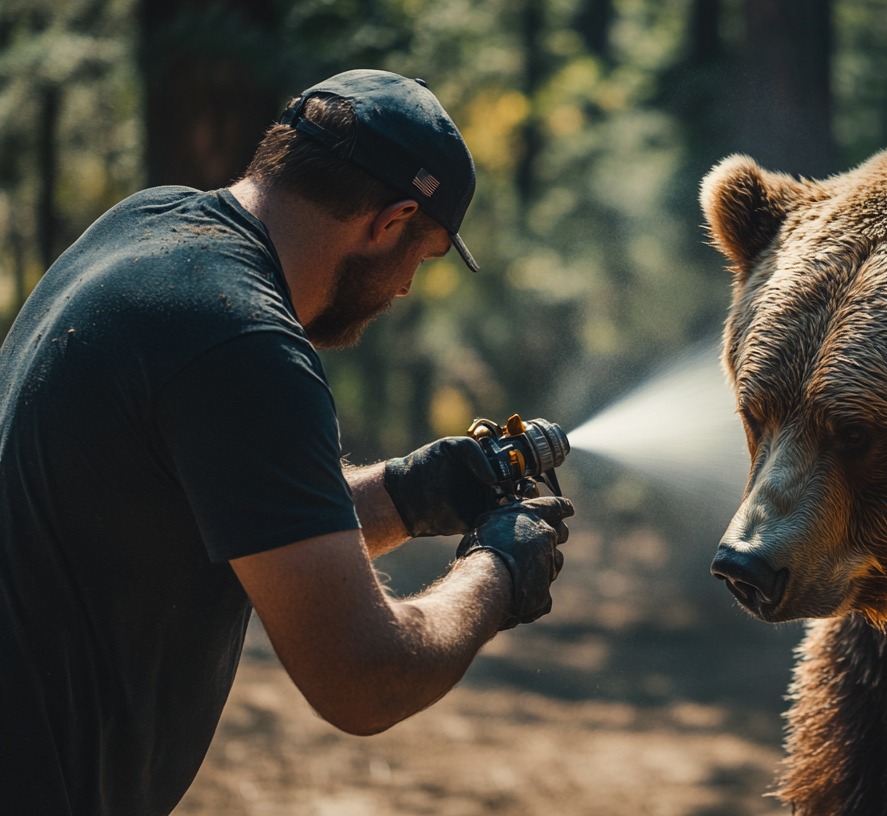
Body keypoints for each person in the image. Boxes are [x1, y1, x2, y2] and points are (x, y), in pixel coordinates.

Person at [0, 69, 574, 815]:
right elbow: (365, 678)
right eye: (420, 258)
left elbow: (249, 511)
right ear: (391, 220)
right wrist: (501, 566)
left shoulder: (148, 226)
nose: (403, 289)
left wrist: (409, 491)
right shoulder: (243, 343)